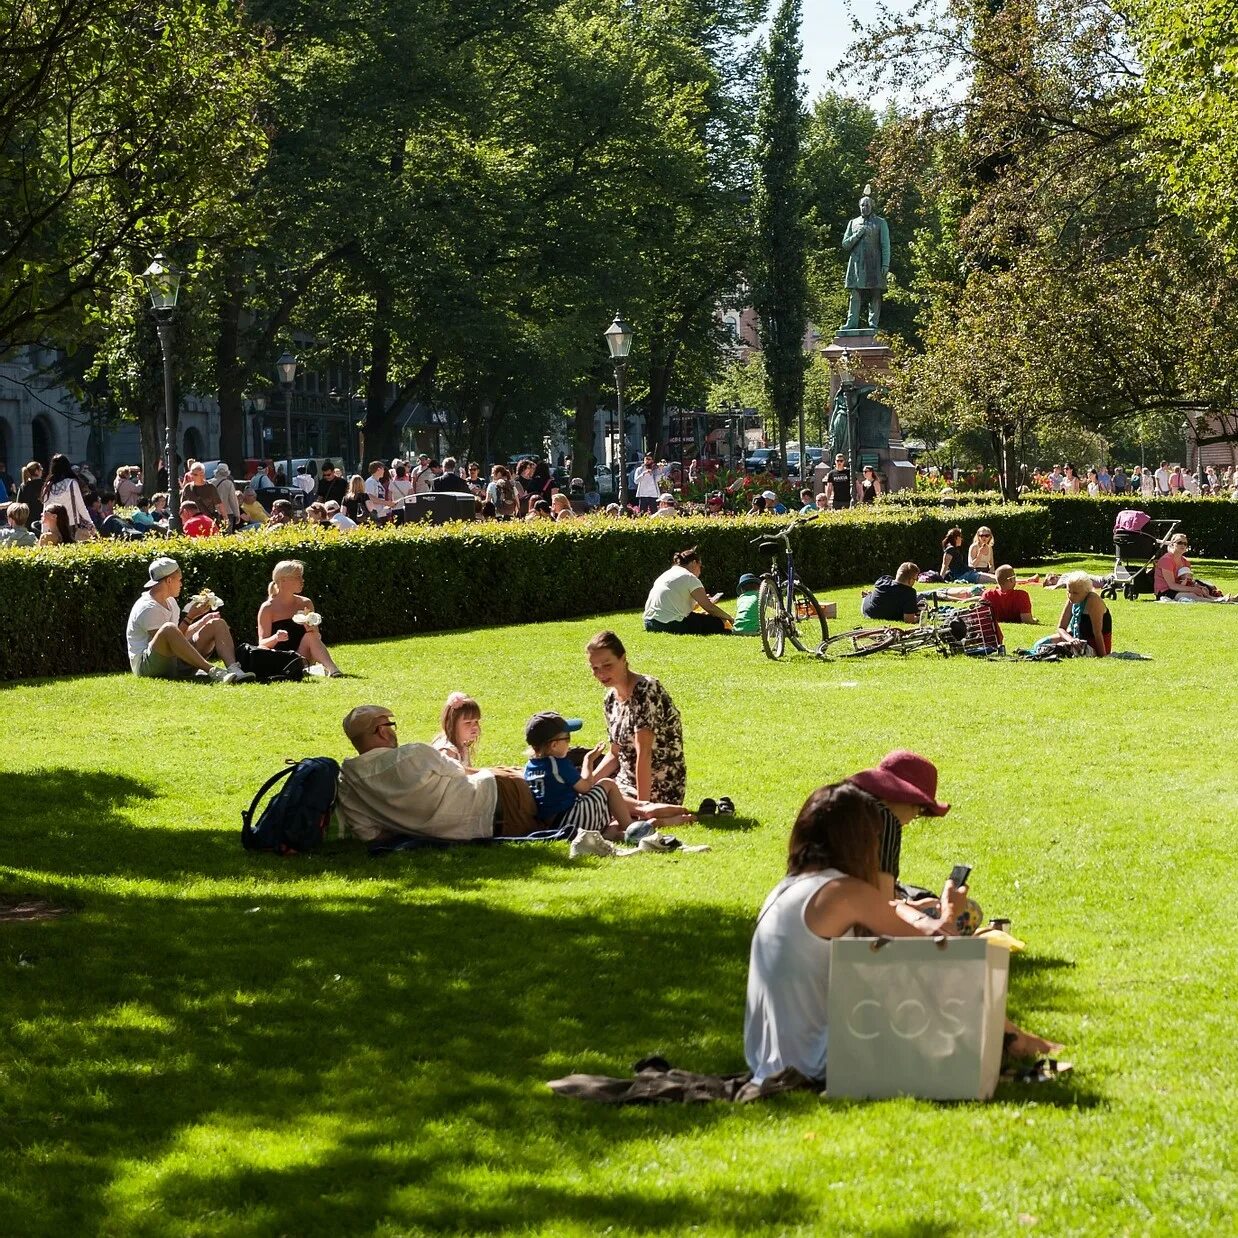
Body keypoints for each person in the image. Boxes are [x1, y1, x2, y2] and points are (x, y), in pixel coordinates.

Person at [743, 781, 1059, 1086]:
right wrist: (950, 910)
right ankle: (1016, 1042)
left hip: (768, 1061)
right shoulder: (843, 890)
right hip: (816, 1063)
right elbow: (940, 947)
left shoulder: (787, 888)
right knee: (939, 970)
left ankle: (1013, 1039)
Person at [336, 705, 544, 842]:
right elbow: (463, 771)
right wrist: (507, 771)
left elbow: (371, 835)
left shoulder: (348, 783)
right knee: (554, 777)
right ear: (382, 730)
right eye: (391, 725)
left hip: (488, 828)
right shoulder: (413, 754)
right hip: (500, 796)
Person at [586, 629, 686, 805]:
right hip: (624, 781)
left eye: (607, 665)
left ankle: (656, 814)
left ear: (623, 659)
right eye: (595, 668)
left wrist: (643, 807)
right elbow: (615, 753)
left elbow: (644, 753)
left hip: (659, 784)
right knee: (584, 804)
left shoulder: (646, 690)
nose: (601, 673)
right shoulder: (610, 698)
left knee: (603, 813)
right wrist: (587, 784)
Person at [125, 555, 254, 683]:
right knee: (168, 628)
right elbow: (168, 642)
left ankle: (234, 670)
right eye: (179, 580)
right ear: (169, 580)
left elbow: (178, 638)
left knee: (217, 623)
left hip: (173, 660)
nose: (181, 584)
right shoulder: (148, 607)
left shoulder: (171, 602)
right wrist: (189, 617)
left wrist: (201, 621)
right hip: (147, 667)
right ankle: (213, 671)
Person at [523, 712, 637, 839]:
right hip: (571, 820)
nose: (569, 743)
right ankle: (631, 828)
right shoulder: (559, 765)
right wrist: (588, 761)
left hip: (551, 825)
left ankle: (607, 833)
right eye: (567, 739)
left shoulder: (530, 766)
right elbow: (586, 787)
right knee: (608, 784)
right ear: (554, 745)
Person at [256, 558, 342, 675]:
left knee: (310, 636)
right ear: (283, 580)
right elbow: (262, 643)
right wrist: (276, 638)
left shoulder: (306, 603)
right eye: (298, 577)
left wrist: (311, 628)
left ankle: (333, 670)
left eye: (301, 577)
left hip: (302, 656)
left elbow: (316, 636)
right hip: (280, 658)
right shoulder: (268, 608)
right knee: (262, 650)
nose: (302, 581)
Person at [643, 546, 733, 635]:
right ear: (694, 563)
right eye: (700, 566)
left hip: (650, 623)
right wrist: (729, 618)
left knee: (700, 617)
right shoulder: (689, 577)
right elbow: (709, 607)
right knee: (718, 621)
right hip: (669, 624)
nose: (700, 571)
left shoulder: (666, 574)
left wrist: (698, 605)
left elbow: (676, 604)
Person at [1031, 571, 1112, 657]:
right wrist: (1071, 640)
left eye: (1075, 593)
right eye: (1069, 591)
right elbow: (1061, 628)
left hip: (1093, 644)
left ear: (1086, 591)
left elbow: (1097, 633)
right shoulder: (1072, 599)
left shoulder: (1093, 599)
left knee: (1060, 648)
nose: (1071, 596)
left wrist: (1103, 656)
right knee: (1039, 645)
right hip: (1075, 638)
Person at [1153, 533, 1235, 602]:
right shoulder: (1166, 560)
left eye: (1185, 544)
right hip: (1166, 591)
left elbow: (1188, 580)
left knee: (1202, 589)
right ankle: (1218, 601)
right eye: (1179, 543)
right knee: (1192, 595)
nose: (1183, 545)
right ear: (1172, 544)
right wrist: (1192, 589)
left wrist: (1197, 587)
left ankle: (1221, 599)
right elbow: (1171, 585)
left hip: (1179, 588)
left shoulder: (1185, 561)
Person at [40, 454, 95, 540]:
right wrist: (90, 523)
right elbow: (81, 506)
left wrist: (44, 532)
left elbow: (45, 510)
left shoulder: (48, 486)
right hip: (71, 525)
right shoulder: (72, 484)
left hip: (54, 528)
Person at [432, 692, 482, 767]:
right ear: (452, 724)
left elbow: (469, 773)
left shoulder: (462, 744)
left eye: (476, 721)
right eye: (468, 722)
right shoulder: (447, 752)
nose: (475, 726)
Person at [214, 464, 241, 530]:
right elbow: (233, 500)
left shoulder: (211, 483)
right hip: (228, 512)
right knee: (227, 534)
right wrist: (237, 514)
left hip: (215, 512)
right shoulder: (229, 483)